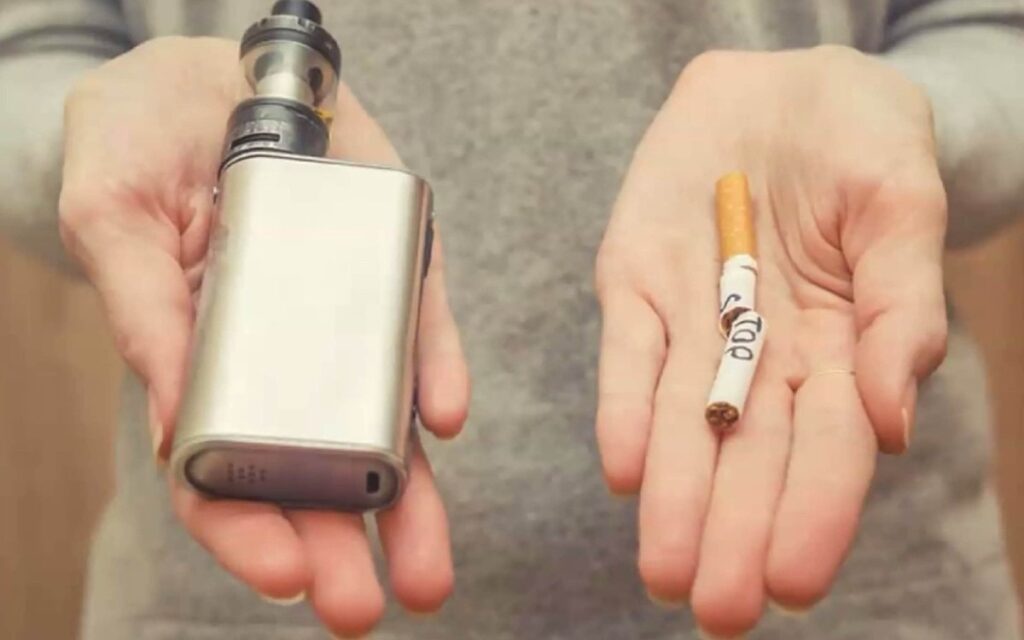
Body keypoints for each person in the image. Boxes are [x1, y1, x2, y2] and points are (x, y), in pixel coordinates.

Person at [2, 1, 1023, 638]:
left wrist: (906, 128)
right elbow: (31, 50)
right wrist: (95, 157)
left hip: (854, 578)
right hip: (231, 603)